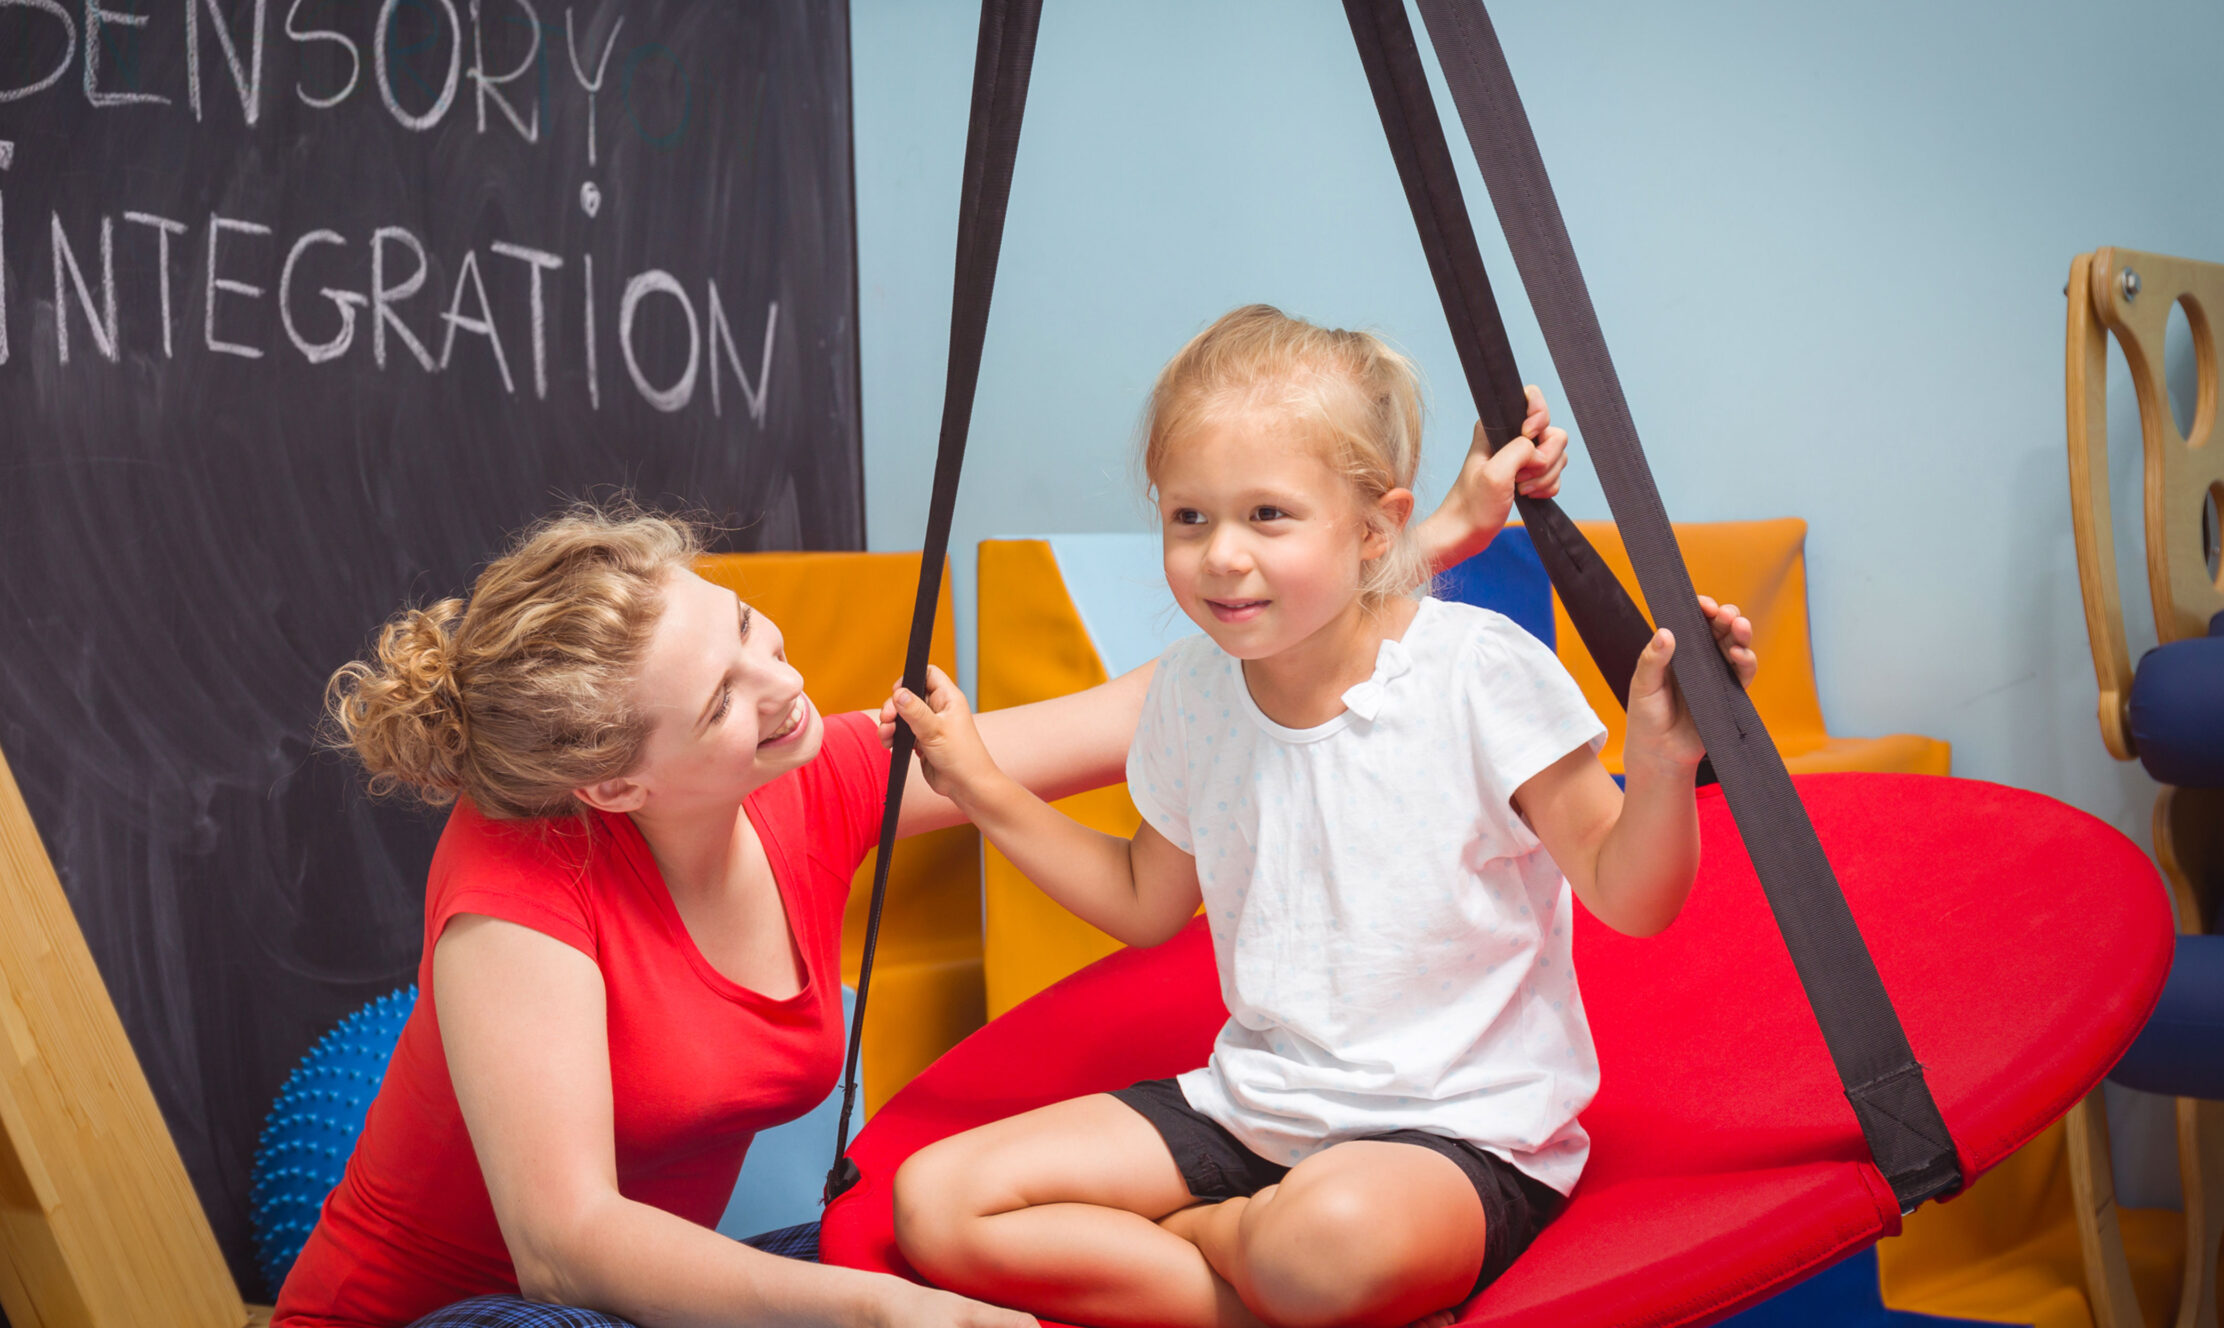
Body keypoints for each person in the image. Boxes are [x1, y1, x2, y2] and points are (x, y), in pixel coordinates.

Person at [269, 389, 1571, 1328]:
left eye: (745, 631)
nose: (778, 685)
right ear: (614, 782)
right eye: (721, 699)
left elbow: (1150, 702)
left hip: (653, 1295)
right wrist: (876, 1317)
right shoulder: (517, 883)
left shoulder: (809, 776)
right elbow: (563, 1249)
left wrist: (1411, 546)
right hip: (474, 1314)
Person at [886, 305, 1756, 1328]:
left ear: (1379, 526)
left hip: (1453, 1139)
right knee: (936, 1203)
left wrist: (1659, 762)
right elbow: (1141, 900)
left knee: (1330, 1240)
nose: (1221, 556)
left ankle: (1219, 1244)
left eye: (1267, 516)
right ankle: (1264, 1289)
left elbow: (1631, 895)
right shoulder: (1195, 690)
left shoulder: (1477, 673)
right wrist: (984, 789)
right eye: (1188, 517)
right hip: (1254, 1109)